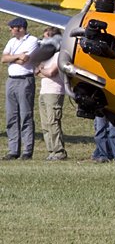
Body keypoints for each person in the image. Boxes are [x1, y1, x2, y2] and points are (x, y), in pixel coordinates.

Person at [2, 17, 39, 160]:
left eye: (12, 28)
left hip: (25, 80)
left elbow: (26, 60)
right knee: (11, 116)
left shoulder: (32, 41)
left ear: (20, 28)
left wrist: (13, 57)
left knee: (26, 115)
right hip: (11, 80)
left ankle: (27, 150)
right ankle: (13, 150)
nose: (10, 30)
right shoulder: (12, 42)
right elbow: (4, 58)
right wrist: (17, 56)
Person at [35, 27, 67, 161]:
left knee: (53, 122)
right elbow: (36, 71)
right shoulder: (47, 56)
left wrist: (42, 70)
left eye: (46, 38)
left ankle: (59, 151)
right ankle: (51, 150)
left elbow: (51, 72)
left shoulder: (59, 55)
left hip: (54, 92)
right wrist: (42, 70)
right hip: (44, 91)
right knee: (45, 124)